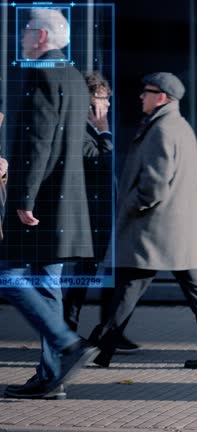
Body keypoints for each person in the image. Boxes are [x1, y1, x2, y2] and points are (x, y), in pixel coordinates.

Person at [89, 72, 197, 369]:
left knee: (131, 286)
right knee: (185, 286)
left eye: (147, 91)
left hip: (154, 227)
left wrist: (128, 207)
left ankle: (97, 348)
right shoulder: (175, 126)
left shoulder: (163, 130)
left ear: (162, 97)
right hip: (170, 229)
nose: (141, 96)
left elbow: (154, 186)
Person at [0, 8, 97, 399]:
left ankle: (66, 344)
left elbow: (38, 143)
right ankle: (52, 376)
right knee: (48, 284)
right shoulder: (74, 77)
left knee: (9, 276)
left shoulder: (41, 73)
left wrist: (22, 198)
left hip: (40, 203)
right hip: (64, 204)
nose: (21, 36)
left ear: (40, 36)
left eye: (25, 30)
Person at [61, 71, 140, 353]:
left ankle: (109, 331)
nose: (104, 107)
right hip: (89, 217)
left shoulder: (94, 128)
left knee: (111, 274)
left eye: (106, 102)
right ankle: (66, 333)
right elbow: (100, 164)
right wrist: (104, 130)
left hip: (109, 215)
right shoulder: (77, 129)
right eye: (99, 101)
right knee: (82, 277)